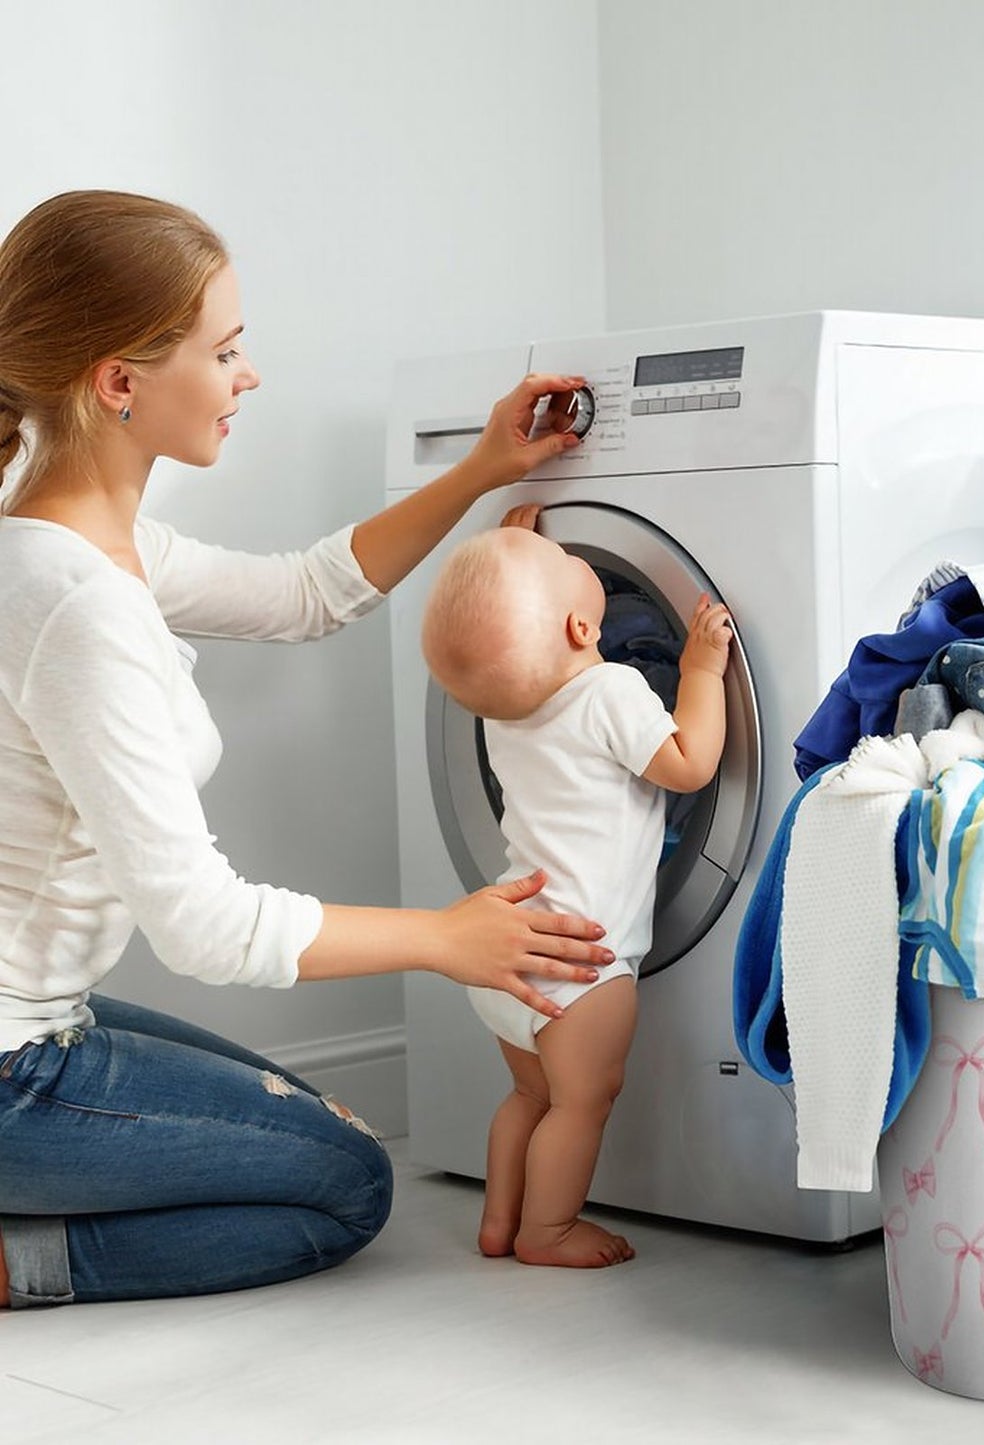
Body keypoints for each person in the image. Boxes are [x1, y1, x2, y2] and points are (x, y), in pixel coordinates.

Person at [0, 189, 617, 1309]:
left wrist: (484, 467)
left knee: (307, 1120)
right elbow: (203, 922)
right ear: (119, 381)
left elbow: (305, 593)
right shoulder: (76, 602)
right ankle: (17, 1257)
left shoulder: (77, 538)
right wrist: (445, 937)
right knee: (343, 1182)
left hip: (37, 1017)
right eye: (225, 350)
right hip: (13, 1067)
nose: (251, 376)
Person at [421, 518, 731, 1267]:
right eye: (564, 558)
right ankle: (547, 1229)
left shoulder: (503, 709)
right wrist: (697, 672)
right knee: (582, 1102)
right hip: (582, 963)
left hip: (510, 945)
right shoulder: (612, 689)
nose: (570, 552)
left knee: (528, 1098)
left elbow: (503, 643)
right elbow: (687, 764)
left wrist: (510, 558)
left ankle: (498, 1220)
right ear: (583, 625)